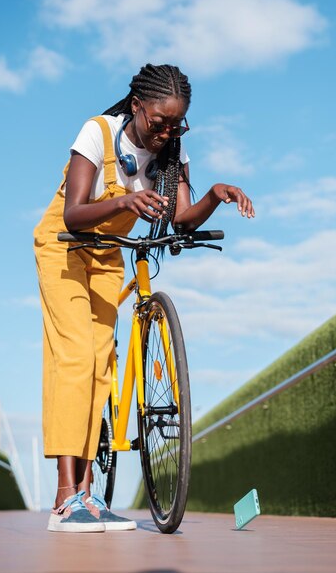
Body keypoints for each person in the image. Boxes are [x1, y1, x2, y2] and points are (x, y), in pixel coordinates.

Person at [34, 63, 255, 533]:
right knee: (75, 358)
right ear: (137, 106)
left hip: (106, 253)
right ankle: (63, 500)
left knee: (101, 363)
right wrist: (124, 201)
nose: (167, 132)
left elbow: (181, 219)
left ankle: (87, 499)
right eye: (160, 122)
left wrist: (215, 194)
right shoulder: (98, 133)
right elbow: (74, 214)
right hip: (64, 248)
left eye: (177, 124)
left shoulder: (173, 148)